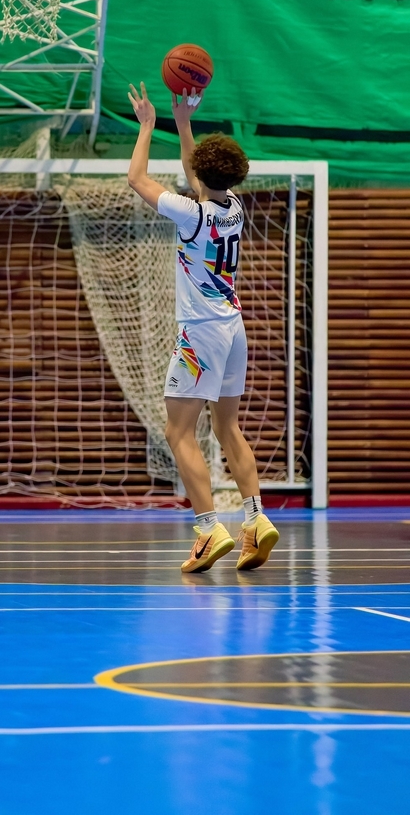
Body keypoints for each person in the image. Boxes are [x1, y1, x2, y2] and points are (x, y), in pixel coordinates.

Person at [127, 81, 279, 573]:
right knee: (227, 425)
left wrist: (149, 125)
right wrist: (185, 122)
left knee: (178, 432)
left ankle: (209, 527)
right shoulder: (232, 207)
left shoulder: (191, 214)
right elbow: (199, 177)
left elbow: (136, 178)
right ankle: (255, 519)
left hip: (200, 334)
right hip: (234, 329)